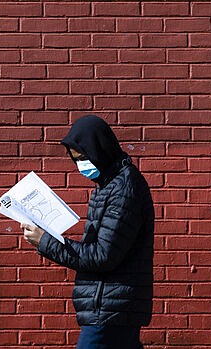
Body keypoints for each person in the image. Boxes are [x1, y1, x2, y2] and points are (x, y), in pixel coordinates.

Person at [22, 115, 154, 349]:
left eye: (84, 158)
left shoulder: (124, 188)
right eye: (77, 160)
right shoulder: (107, 186)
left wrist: (46, 242)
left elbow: (103, 255)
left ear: (100, 150)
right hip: (111, 307)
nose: (82, 165)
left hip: (110, 310)